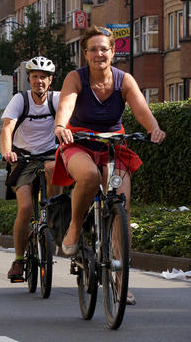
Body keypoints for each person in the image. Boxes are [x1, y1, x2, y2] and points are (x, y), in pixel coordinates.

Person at [54, 26, 165, 305]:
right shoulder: (75, 78)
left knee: (122, 208)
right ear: (85, 53)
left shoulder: (123, 80)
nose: (99, 54)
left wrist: (154, 129)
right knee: (89, 176)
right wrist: (60, 126)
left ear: (113, 53)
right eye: (93, 49)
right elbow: (66, 106)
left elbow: (141, 108)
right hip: (78, 142)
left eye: (104, 49)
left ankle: (120, 281)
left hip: (112, 146)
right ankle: (75, 227)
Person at [0, 55, 61, 282]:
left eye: (43, 77)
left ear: (50, 80)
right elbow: (7, 128)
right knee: (25, 208)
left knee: (54, 168)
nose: (39, 81)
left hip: (49, 156)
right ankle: (18, 259)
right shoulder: (20, 100)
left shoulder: (57, 99)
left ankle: (52, 216)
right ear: (29, 79)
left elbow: (70, 122)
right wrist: (8, 151)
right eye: (35, 77)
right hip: (23, 158)